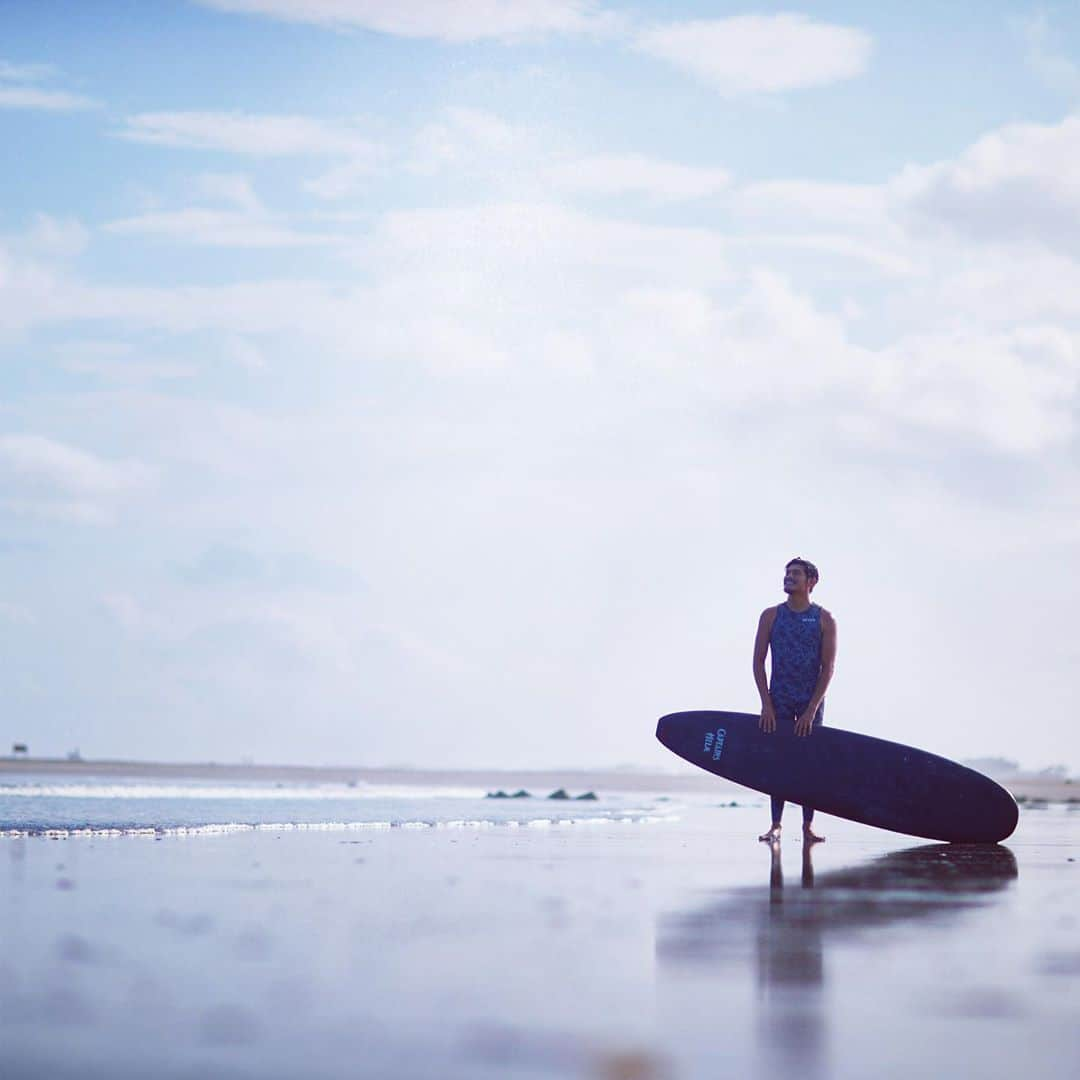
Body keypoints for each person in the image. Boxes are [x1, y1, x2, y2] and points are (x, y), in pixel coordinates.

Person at [752, 557, 837, 844]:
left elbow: (828, 668)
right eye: (787, 573)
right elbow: (758, 662)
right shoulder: (771, 616)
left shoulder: (824, 619)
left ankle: (807, 827)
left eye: (796, 574)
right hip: (779, 700)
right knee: (779, 763)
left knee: (808, 764)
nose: (789, 577)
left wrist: (812, 708)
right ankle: (775, 825)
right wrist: (766, 703)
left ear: (811, 582)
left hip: (810, 701)